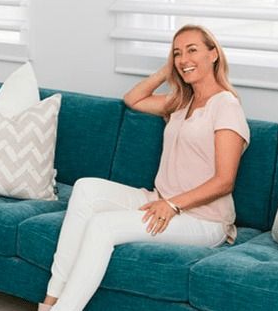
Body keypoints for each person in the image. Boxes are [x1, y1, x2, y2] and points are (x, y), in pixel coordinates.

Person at [39, 25, 249, 311]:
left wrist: (172, 205)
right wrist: (170, 70)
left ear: (213, 54)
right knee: (86, 188)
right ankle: (50, 300)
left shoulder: (226, 105)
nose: (184, 59)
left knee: (103, 225)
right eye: (177, 53)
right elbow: (133, 99)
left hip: (204, 219)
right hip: (159, 199)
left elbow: (225, 181)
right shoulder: (181, 102)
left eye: (192, 50)